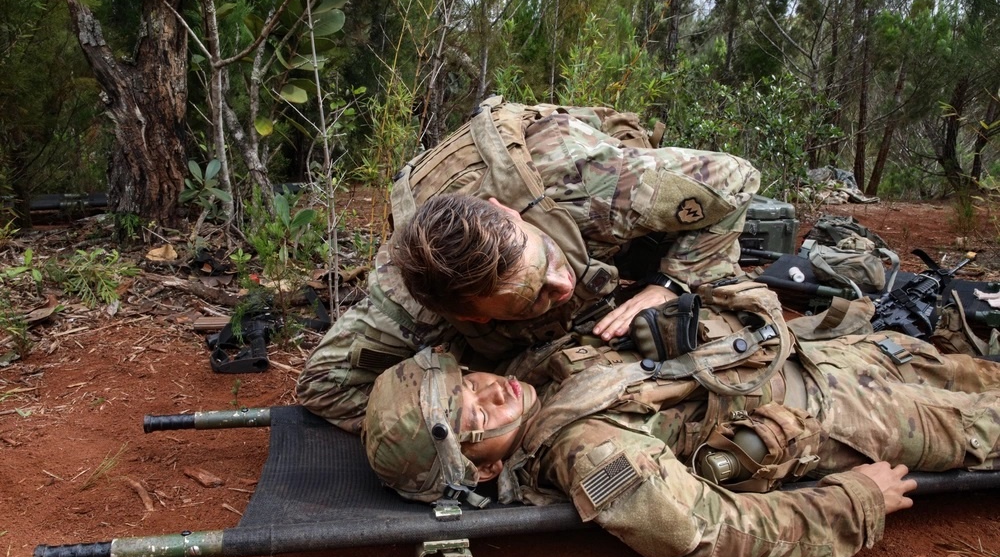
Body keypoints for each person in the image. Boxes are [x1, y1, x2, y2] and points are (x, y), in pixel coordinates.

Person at [361, 289, 1000, 557]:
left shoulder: (529, 372)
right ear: (485, 471)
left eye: (470, 382)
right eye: (475, 421)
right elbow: (714, 534)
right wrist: (852, 503)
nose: (492, 393)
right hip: (863, 421)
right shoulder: (592, 455)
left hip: (838, 356)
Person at [298, 98, 761, 432]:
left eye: (548, 260)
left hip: (572, 167)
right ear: (472, 315)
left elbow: (740, 179)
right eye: (533, 295)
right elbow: (324, 386)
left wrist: (669, 281)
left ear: (508, 213)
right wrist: (461, 403)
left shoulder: (596, 187)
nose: (562, 283)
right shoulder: (407, 306)